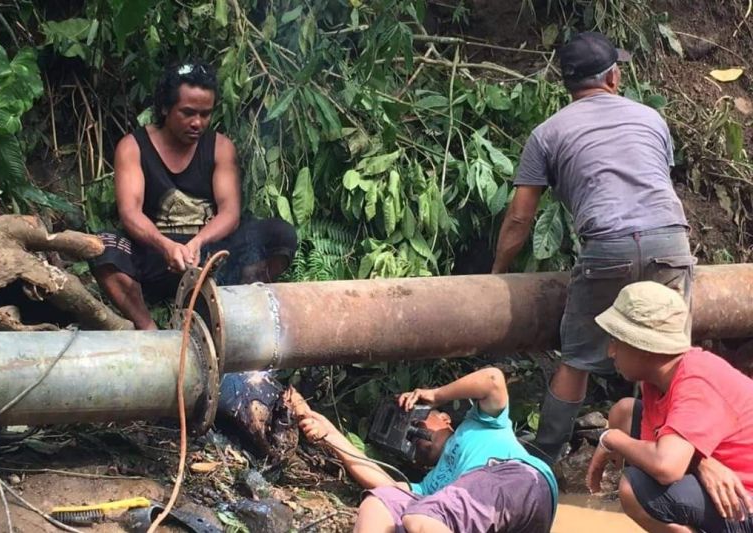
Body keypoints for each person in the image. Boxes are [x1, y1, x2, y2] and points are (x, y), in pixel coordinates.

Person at [491, 31, 694, 465]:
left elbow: (520, 217)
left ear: (567, 85)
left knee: (577, 360)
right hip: (669, 239)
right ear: (613, 76)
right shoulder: (650, 119)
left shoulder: (547, 134)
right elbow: (655, 183)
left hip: (607, 249)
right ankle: (667, 450)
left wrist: (498, 273)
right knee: (668, 354)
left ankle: (544, 458)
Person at [92, 61, 297, 329]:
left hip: (211, 257)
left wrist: (198, 242)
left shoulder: (220, 147)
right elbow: (130, 213)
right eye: (188, 113)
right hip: (155, 257)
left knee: (280, 234)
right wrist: (166, 246)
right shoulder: (133, 147)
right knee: (102, 246)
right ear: (165, 108)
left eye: (205, 114)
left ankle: (236, 303)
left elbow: (230, 213)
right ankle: (148, 328)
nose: (197, 123)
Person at [290, 367, 558, 533]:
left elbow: (493, 379)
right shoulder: (431, 487)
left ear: (445, 419)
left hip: (519, 481)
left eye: (418, 420)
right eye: (409, 437)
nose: (415, 432)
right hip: (488, 521)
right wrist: (328, 432)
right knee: (379, 501)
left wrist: (436, 395)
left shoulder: (482, 424)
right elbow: (384, 483)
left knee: (421, 517)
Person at [587, 282, 753, 532]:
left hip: (742, 499)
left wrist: (613, 438)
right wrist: (702, 462)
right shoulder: (657, 378)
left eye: (616, 341)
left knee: (633, 488)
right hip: (723, 476)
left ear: (643, 347)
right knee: (624, 411)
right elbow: (658, 445)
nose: (611, 352)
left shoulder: (696, 381)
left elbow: (665, 467)